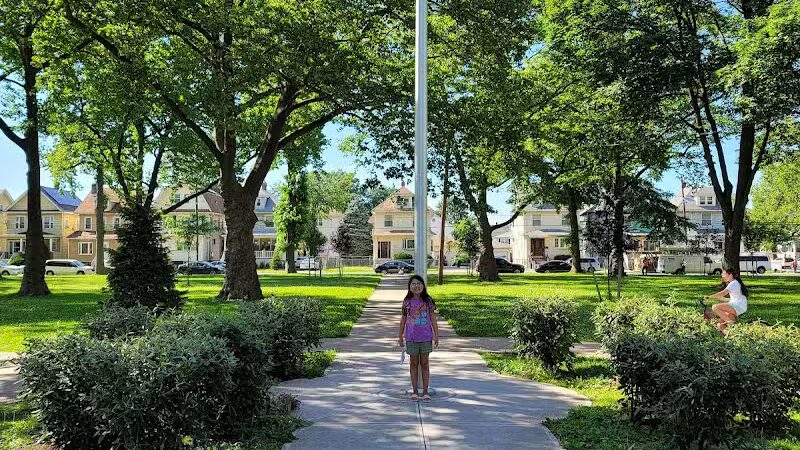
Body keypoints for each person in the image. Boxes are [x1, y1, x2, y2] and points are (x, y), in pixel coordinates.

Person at [397, 275, 439, 402]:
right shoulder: (407, 301)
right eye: (413, 284)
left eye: (419, 283)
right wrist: (400, 336)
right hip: (411, 338)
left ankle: (425, 392)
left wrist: (436, 335)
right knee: (413, 364)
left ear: (423, 286)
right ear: (409, 287)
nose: (416, 286)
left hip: (426, 337)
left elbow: (433, 319)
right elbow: (403, 319)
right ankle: (415, 391)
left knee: (425, 364)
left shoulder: (428, 301)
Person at [704, 268, 749, 334]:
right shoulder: (734, 283)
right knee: (720, 325)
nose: (722, 277)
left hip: (738, 306)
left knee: (715, 307)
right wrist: (719, 298)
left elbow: (723, 293)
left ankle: (729, 322)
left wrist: (710, 297)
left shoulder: (734, 283)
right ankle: (731, 336)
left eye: (724, 275)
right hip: (736, 306)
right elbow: (730, 298)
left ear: (730, 275)